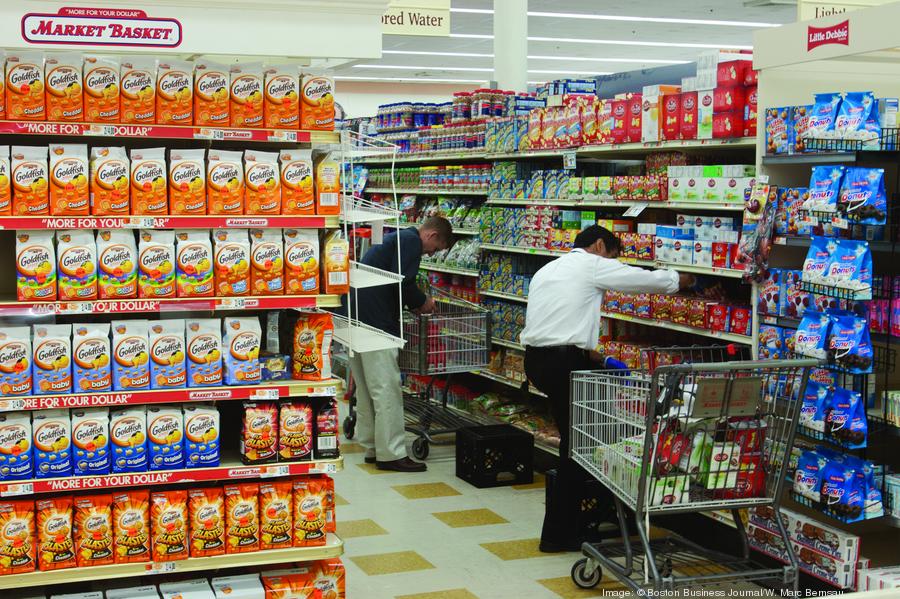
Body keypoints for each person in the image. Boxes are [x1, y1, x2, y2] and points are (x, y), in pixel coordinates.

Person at [519, 225, 696, 552]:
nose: (613, 263)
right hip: (562, 363)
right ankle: (560, 534)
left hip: (538, 361)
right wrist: (682, 279)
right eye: (613, 256)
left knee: (578, 440)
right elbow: (640, 279)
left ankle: (583, 521)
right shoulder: (591, 264)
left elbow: (557, 317)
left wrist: (589, 353)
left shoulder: (549, 269)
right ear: (600, 245)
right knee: (578, 446)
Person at [346, 216, 453, 472]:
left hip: (355, 315)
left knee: (367, 388)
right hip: (375, 321)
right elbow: (403, 281)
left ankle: (374, 446)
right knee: (386, 387)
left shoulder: (396, 238)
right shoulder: (410, 241)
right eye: (435, 249)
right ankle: (391, 454)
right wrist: (422, 302)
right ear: (432, 235)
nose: (430, 254)